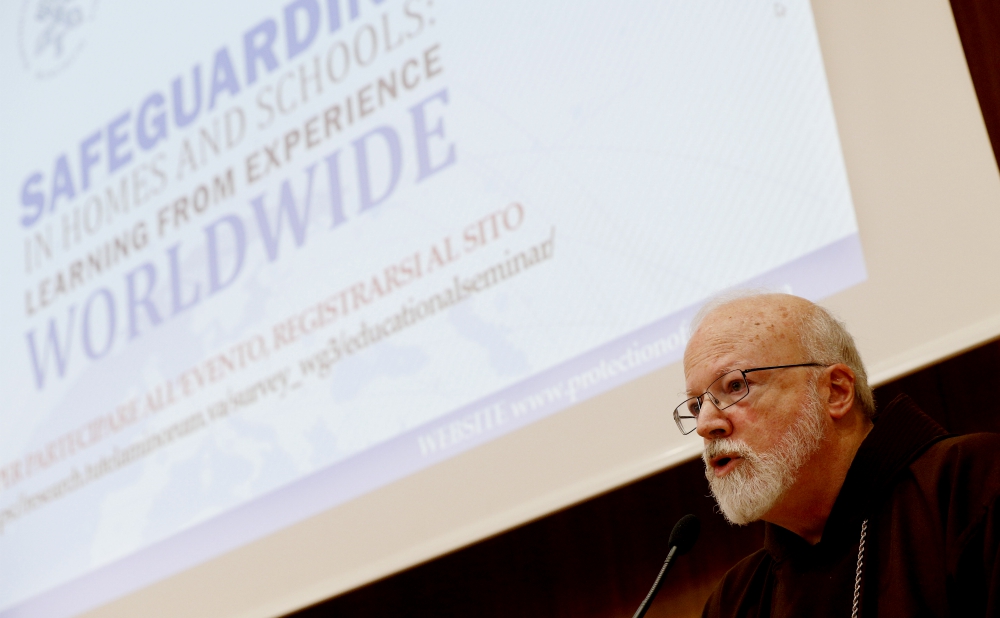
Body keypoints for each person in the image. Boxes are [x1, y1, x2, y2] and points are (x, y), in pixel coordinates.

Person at [676, 292, 1000, 618]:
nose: (705, 424)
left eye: (734, 386)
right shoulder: (733, 603)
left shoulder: (972, 486)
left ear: (836, 391)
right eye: (696, 405)